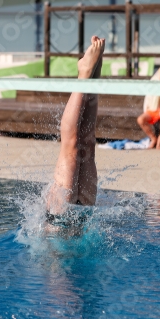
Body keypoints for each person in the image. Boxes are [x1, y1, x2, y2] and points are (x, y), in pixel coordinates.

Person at [45, 36, 105, 221]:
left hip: (57, 225)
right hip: (82, 221)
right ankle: (93, 74)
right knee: (88, 143)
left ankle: (85, 74)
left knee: (71, 145)